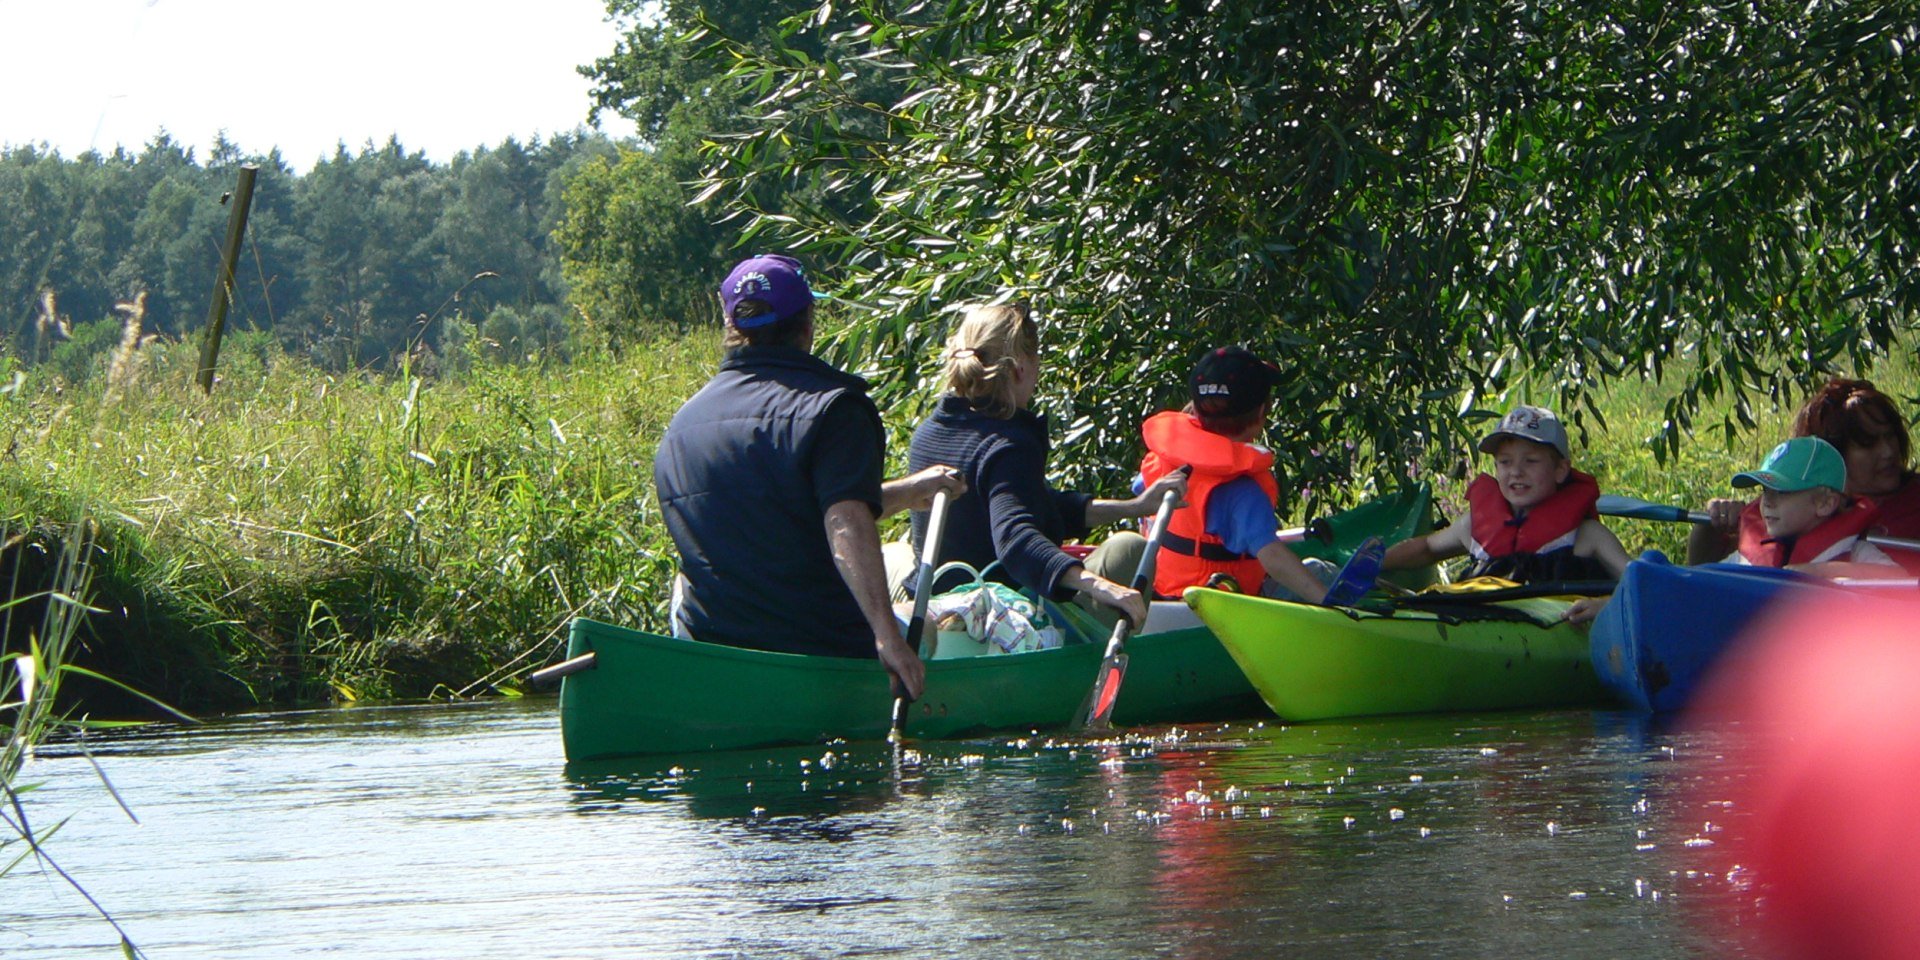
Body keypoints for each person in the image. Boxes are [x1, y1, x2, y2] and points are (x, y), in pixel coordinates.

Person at [654, 254, 965, 700]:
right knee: (936, 630)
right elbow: (843, 523)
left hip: (715, 648)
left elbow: (784, 505)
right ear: (807, 323)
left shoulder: (684, 424)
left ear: (732, 326)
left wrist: (906, 492)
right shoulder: (833, 408)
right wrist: (885, 637)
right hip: (819, 645)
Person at [905, 303, 1185, 629]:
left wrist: (1136, 506)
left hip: (936, 601)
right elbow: (1016, 538)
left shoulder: (930, 431)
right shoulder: (1009, 443)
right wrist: (1102, 586)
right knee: (1128, 548)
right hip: (996, 618)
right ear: (1021, 368)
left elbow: (1031, 503)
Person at [1378, 404, 1633, 620]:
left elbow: (1638, 583)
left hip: (1557, 630)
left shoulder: (1587, 535)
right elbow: (1427, 548)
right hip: (1483, 626)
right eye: (1505, 461)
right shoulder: (1476, 527)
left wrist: (1605, 605)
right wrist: (1375, 564)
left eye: (1531, 461)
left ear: (1561, 470)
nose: (1516, 472)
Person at [1135, 345, 1330, 603]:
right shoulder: (1242, 491)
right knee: (1322, 572)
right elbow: (1273, 557)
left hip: (1164, 594)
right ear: (1262, 413)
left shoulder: (1163, 459)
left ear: (1194, 408)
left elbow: (1140, 489)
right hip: (1220, 606)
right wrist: (1333, 605)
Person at [1688, 378, 1920, 569]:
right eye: (1868, 444)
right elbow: (1700, 582)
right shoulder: (1788, 508)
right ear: (1832, 455)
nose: (1889, 452)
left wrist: (1820, 572)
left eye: (1890, 436)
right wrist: (1709, 524)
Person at [1711, 436, 1900, 575]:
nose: (1767, 502)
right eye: (1765, 490)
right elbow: (1707, 581)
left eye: (1782, 492)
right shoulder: (1746, 557)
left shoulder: (1854, 552)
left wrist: (1819, 572)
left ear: (1825, 503)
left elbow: (1897, 579)